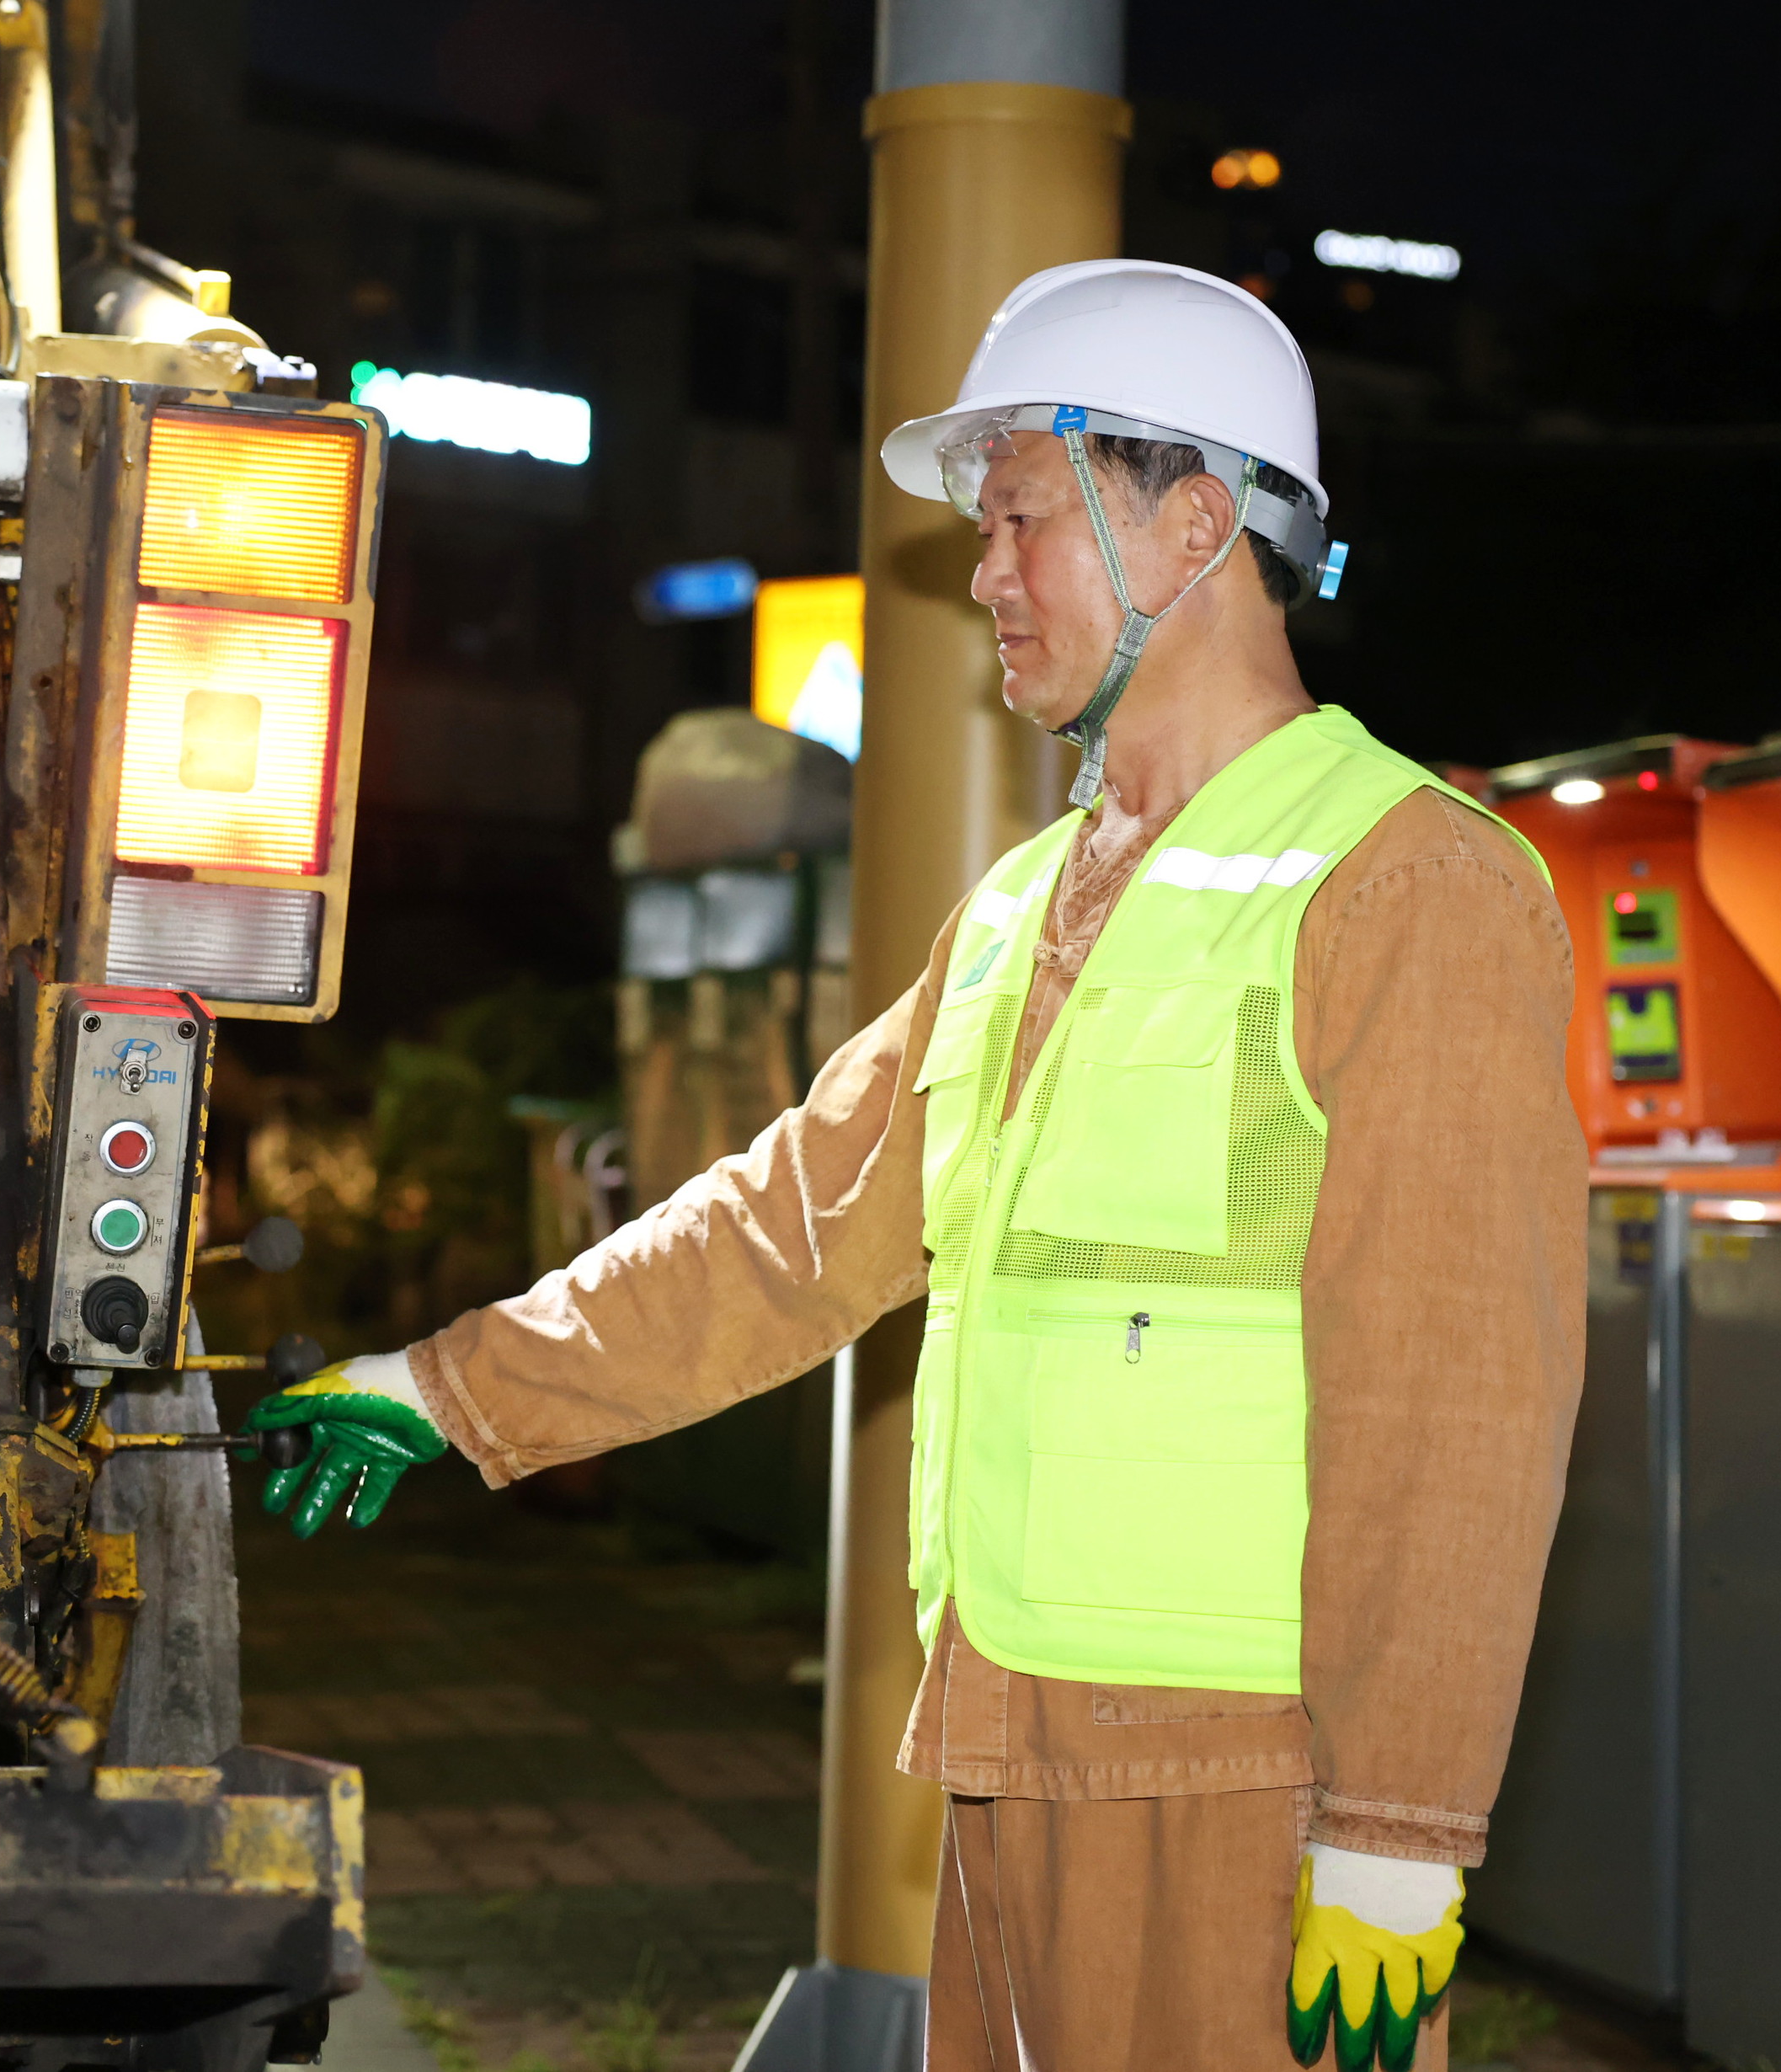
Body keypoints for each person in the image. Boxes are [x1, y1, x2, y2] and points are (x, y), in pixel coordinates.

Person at [243, 259, 1584, 2072]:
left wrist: (1400, 1831)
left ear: (1195, 526)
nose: (987, 576)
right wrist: (449, 1389)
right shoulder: (1030, 902)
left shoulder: (1411, 881)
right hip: (1013, 1737)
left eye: (1022, 517)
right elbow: (791, 1228)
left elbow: (1459, 1394)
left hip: (1244, 1771)